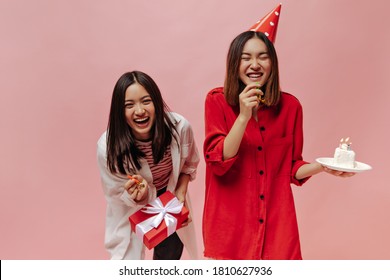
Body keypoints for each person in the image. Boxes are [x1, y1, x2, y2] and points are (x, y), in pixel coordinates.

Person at [202, 30, 355, 260]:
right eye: (246, 58)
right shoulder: (216, 101)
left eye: (263, 56)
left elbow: (291, 168)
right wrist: (243, 116)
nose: (255, 64)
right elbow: (219, 160)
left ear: (272, 62)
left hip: (278, 232)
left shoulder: (291, 107)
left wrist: (323, 165)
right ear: (234, 63)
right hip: (230, 234)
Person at [97, 70, 200, 260]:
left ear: (157, 102)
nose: (140, 111)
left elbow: (189, 165)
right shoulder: (107, 147)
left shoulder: (180, 127)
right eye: (129, 105)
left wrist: (180, 194)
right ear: (120, 111)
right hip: (130, 207)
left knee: (168, 258)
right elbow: (114, 193)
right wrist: (139, 195)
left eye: (146, 101)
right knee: (127, 262)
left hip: (169, 200)